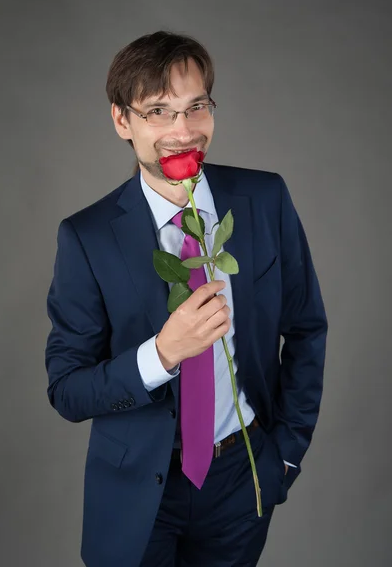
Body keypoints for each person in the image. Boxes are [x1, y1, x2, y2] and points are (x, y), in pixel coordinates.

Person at [45, 30, 328, 567]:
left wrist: (284, 457)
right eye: (158, 111)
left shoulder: (266, 198)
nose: (183, 131)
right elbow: (67, 390)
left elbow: (308, 328)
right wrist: (162, 354)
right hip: (135, 494)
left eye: (196, 106)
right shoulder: (85, 236)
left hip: (241, 479)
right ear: (121, 120)